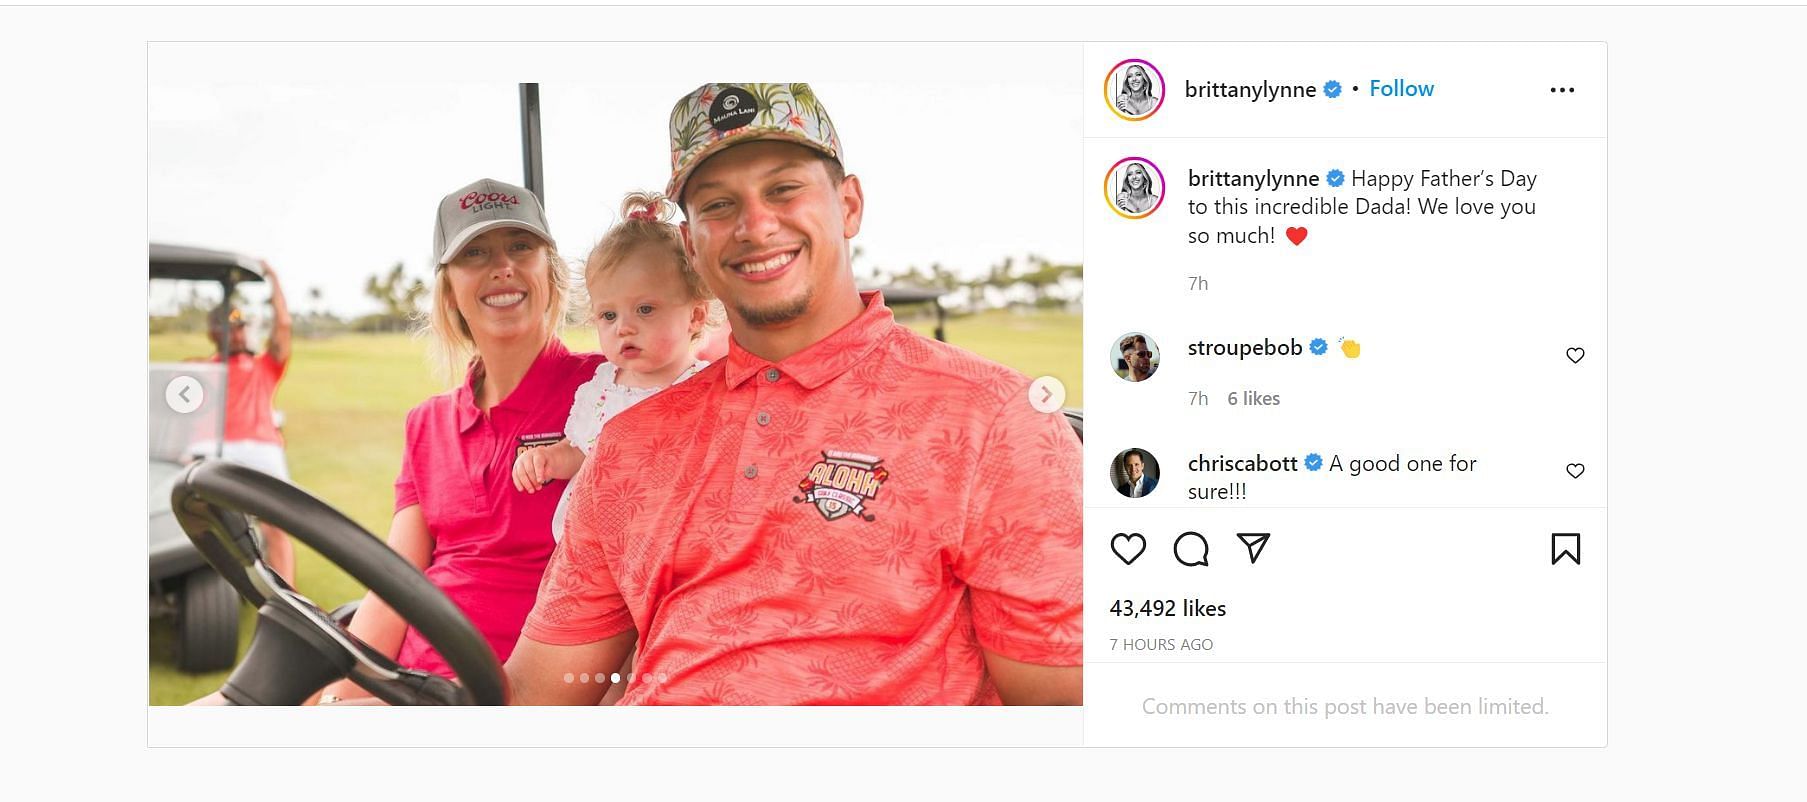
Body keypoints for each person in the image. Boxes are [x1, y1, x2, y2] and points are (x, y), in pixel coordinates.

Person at [508, 82, 1083, 706]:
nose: (756, 226)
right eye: (720, 206)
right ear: (691, 245)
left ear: (849, 204)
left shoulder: (994, 419)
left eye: (784, 189)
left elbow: (1060, 709)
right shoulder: (628, 443)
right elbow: (545, 692)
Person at [314, 178, 602, 704]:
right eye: (475, 253)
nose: (502, 266)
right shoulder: (426, 423)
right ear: (449, 289)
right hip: (410, 685)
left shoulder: (606, 393)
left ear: (551, 274)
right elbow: (395, 584)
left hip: (524, 689)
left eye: (521, 246)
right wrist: (340, 693)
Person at [511, 191, 719, 543]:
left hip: (667, 543)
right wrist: (545, 458)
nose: (623, 327)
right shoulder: (603, 388)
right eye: (609, 315)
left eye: (645, 310)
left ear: (695, 316)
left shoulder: (705, 390)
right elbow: (578, 450)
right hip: (592, 545)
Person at [192, 265, 296, 585]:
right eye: (227, 328)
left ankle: (290, 601)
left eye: (240, 327)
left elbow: (283, 324)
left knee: (277, 525)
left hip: (261, 447)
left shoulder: (265, 365)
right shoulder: (201, 370)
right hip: (214, 449)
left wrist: (275, 279)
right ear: (214, 333)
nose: (235, 334)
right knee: (198, 521)